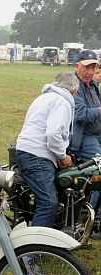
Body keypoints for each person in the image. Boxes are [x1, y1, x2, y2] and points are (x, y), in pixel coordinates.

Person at [16, 72, 79, 275]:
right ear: (73, 90)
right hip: (37, 155)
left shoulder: (44, 97)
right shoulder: (62, 101)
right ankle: (29, 257)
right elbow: (53, 135)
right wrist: (62, 156)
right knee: (48, 202)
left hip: (28, 152)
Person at [68, 50, 101, 239]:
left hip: (97, 135)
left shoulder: (92, 85)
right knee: (99, 170)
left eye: (93, 67)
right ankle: (93, 222)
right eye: (87, 66)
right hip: (84, 138)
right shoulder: (75, 86)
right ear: (77, 65)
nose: (90, 71)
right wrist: (99, 110)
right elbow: (80, 115)